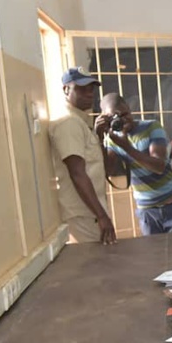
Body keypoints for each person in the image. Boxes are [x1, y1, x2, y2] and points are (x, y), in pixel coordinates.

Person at [95, 93, 172, 236]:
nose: (122, 119)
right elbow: (107, 170)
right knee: (154, 256)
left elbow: (159, 166)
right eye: (114, 117)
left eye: (125, 114)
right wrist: (99, 138)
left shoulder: (151, 127)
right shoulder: (112, 139)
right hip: (146, 210)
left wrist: (127, 147)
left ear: (129, 108)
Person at [49, 67, 116, 245]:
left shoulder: (81, 123)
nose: (89, 93)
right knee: (94, 266)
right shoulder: (69, 123)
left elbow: (96, 166)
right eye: (81, 88)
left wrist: (100, 136)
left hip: (91, 212)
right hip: (84, 214)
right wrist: (101, 215)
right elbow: (77, 173)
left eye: (91, 88)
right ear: (66, 89)